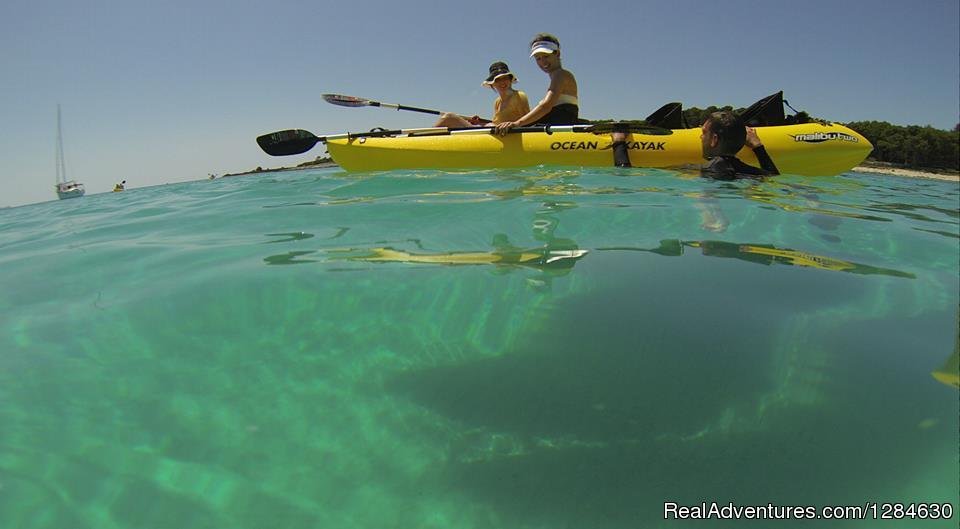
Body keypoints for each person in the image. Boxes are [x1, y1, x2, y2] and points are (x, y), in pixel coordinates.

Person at [494, 33, 579, 135]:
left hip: (559, 132)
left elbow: (546, 106)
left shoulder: (560, 74)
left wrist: (517, 124)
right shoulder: (559, 76)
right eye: (538, 58)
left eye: (546, 56)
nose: (543, 62)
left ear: (558, 54)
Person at [435, 62, 530, 128]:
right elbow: (497, 123)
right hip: (493, 135)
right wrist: (480, 122)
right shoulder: (497, 102)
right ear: (492, 83)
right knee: (448, 118)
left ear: (510, 80)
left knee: (449, 117)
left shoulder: (519, 96)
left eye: (505, 78)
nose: (502, 83)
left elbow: (528, 122)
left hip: (506, 137)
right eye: (497, 80)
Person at [700, 111, 779, 180]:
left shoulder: (708, 169)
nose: (701, 137)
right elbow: (773, 178)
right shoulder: (750, 173)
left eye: (704, 132)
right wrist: (758, 147)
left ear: (714, 139)